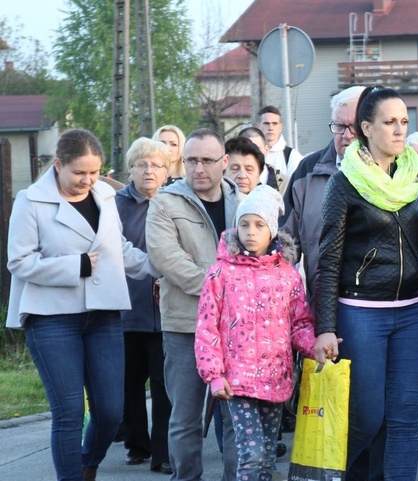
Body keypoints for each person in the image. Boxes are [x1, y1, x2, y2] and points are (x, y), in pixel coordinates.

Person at [314, 86, 418, 479]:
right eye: (389, 122)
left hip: (412, 313)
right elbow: (328, 259)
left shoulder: (416, 177)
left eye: (404, 122)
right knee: (366, 417)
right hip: (361, 313)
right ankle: (321, 474)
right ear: (365, 128)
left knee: (405, 421)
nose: (398, 130)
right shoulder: (344, 183)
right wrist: (325, 328)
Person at [6, 129, 158, 481]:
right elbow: (19, 262)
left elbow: (116, 248)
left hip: (103, 315)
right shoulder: (30, 201)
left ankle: (87, 463)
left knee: (110, 412)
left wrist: (158, 268)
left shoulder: (105, 193)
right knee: (69, 412)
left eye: (94, 172)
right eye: (79, 173)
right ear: (58, 165)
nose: (87, 180)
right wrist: (77, 266)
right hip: (51, 320)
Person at [194, 185, 330, 479]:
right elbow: (207, 328)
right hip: (237, 381)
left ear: (272, 230)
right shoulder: (221, 273)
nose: (250, 232)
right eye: (244, 224)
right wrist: (214, 376)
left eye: (259, 225)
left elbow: (300, 324)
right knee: (251, 456)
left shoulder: (288, 275)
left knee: (267, 458)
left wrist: (314, 345)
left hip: (275, 380)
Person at [146, 128, 243, 481]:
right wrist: (225, 284)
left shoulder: (243, 200)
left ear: (225, 162)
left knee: (237, 418)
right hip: (185, 325)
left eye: (207, 160)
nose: (199, 168)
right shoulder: (164, 202)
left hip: (238, 330)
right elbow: (166, 259)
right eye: (191, 160)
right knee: (185, 418)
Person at [115, 138, 173, 474]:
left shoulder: (174, 201)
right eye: (142, 164)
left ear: (167, 171)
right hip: (127, 307)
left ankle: (163, 453)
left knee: (164, 383)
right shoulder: (116, 204)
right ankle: (137, 444)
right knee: (130, 381)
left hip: (166, 311)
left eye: (156, 165)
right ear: (131, 168)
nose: (149, 170)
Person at [281, 85, 365, 294]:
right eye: (339, 126)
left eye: (353, 127)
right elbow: (285, 243)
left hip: (376, 304)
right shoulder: (307, 171)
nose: (346, 135)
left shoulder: (392, 169)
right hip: (322, 300)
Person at [257, 105, 303, 191]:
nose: (270, 128)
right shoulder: (248, 154)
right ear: (257, 126)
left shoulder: (292, 156)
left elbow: (295, 189)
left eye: (274, 123)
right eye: (266, 123)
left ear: (280, 127)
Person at [238, 125, 283, 192]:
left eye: (257, 149)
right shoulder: (229, 184)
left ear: (266, 150)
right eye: (246, 150)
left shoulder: (285, 183)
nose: (252, 155)